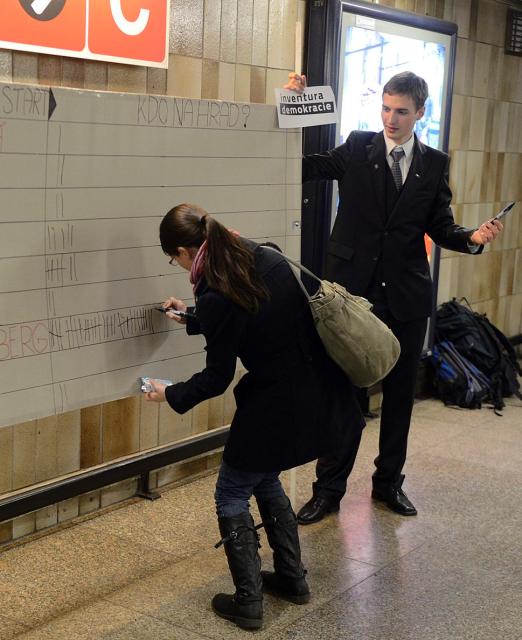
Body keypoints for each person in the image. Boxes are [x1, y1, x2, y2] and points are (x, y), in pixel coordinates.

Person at [284, 71, 503, 525]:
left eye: (401, 111)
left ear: (420, 112)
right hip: (352, 295)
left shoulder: (434, 163)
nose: (391, 118)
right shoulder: (356, 147)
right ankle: (328, 490)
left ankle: (388, 484)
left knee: (400, 396)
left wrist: (473, 238)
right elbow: (303, 166)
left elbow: (440, 226)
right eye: (385, 108)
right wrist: (290, 108)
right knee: (343, 392)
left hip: (405, 296)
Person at [144, 203, 364, 630]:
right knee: (263, 477)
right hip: (320, 389)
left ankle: (248, 601)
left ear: (185, 252)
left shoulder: (216, 292)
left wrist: (169, 393)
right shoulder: (265, 255)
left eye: (174, 259)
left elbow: (216, 377)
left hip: (276, 403)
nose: (178, 266)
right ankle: (291, 578)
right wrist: (192, 316)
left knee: (230, 490)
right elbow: (253, 313)